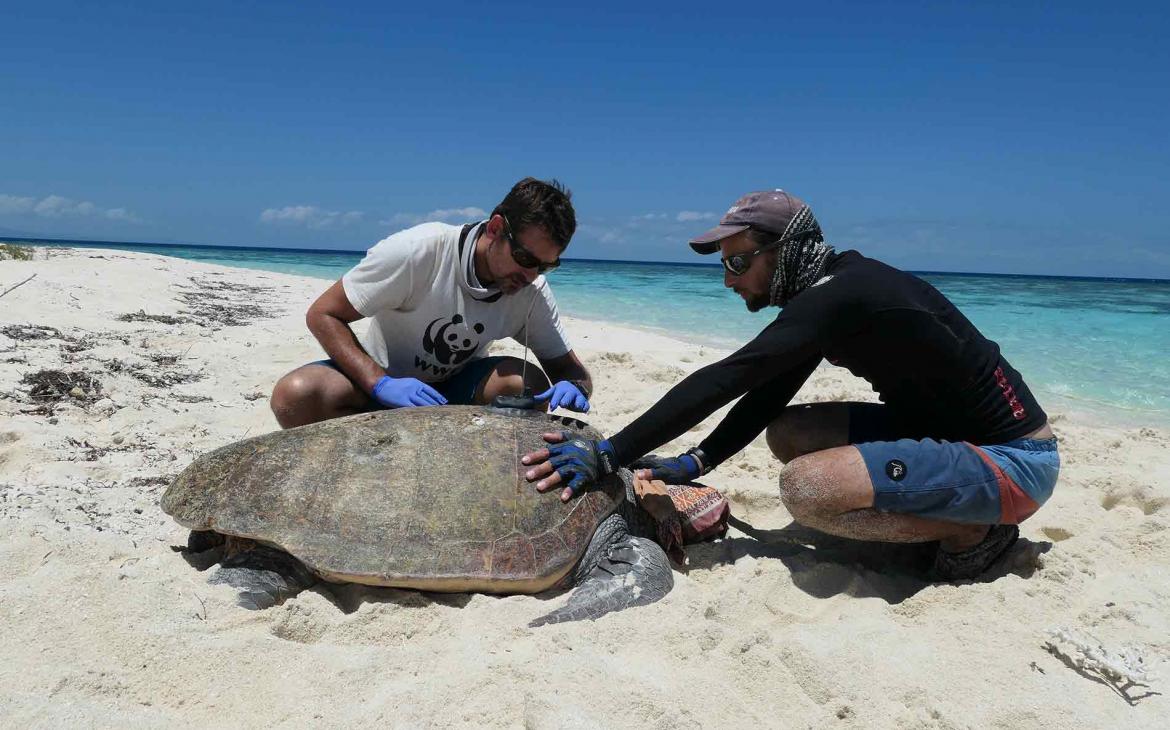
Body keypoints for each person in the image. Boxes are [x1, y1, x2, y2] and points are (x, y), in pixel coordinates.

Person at [521, 189, 1059, 581]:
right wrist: (698, 462)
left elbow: (727, 377)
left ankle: (976, 533)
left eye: (737, 261)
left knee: (808, 491)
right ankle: (944, 506)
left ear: (785, 249)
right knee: (790, 431)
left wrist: (611, 452)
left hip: (1013, 460)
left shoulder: (840, 295)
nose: (729, 279)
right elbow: (769, 389)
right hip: (944, 433)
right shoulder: (830, 294)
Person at [271, 177, 593, 428]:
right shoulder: (418, 251)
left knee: (528, 383)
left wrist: (576, 386)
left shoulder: (531, 290)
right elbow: (323, 314)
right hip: (380, 383)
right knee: (296, 394)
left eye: (545, 265)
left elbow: (570, 369)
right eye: (524, 257)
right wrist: (379, 382)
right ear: (495, 229)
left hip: (454, 398)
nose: (530, 274)